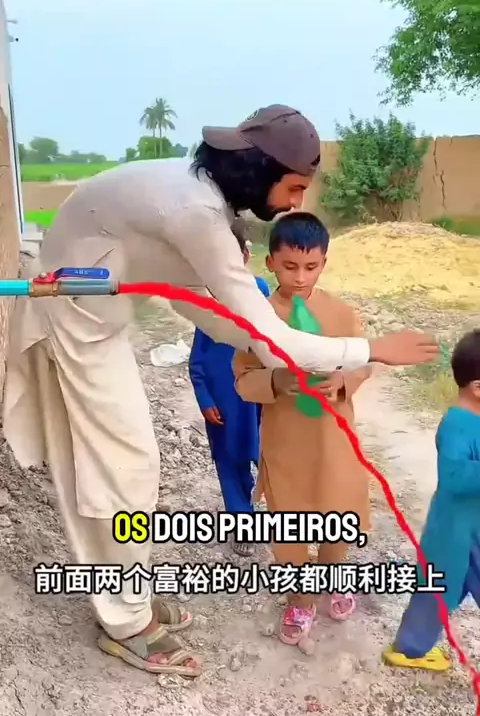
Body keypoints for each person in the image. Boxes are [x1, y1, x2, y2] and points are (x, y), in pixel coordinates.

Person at [3, 104, 438, 677]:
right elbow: (267, 339)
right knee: (125, 470)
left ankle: (127, 597)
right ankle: (126, 622)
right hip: (71, 323)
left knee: (128, 470)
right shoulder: (195, 213)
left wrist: (276, 341)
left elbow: (206, 309)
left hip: (99, 320)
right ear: (261, 170)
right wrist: (371, 349)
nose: (296, 203)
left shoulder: (202, 200)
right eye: (294, 187)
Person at [232, 212, 373, 646]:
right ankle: (300, 599)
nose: (300, 276)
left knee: (338, 512)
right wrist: (275, 381)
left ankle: (333, 577)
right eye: (290, 266)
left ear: (323, 263)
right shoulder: (258, 320)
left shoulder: (341, 314)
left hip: (335, 439)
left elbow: (365, 362)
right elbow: (243, 379)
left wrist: (344, 380)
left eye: (310, 267)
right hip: (286, 443)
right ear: (270, 262)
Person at [383, 329, 480, 672]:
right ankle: (409, 650)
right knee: (435, 592)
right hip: (453, 533)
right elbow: (454, 478)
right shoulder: (456, 426)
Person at [188, 223, 269, 557]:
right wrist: (204, 397)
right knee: (229, 460)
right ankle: (243, 522)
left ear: (246, 256)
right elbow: (197, 358)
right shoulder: (207, 302)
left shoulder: (261, 292)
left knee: (267, 455)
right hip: (223, 398)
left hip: (260, 395)